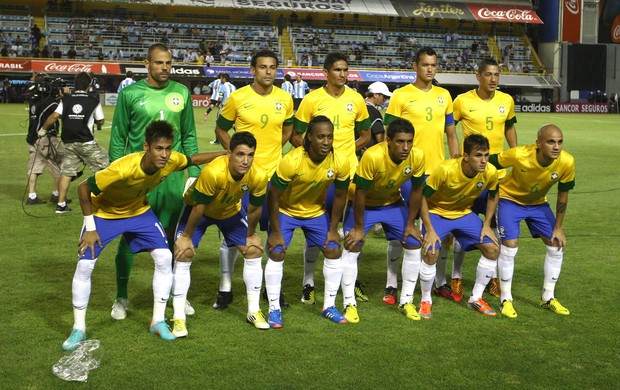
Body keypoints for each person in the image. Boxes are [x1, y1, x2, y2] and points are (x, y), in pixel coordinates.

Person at [61, 121, 223, 351]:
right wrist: (90, 228)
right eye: (159, 148)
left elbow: (193, 159)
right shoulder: (122, 168)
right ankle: (78, 328)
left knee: (165, 258)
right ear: (147, 146)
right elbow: (83, 190)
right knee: (85, 266)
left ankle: (157, 321)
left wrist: (224, 153)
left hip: (139, 212)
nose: (165, 154)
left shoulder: (171, 160)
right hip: (104, 214)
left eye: (168, 148)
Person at [108, 43, 200, 321]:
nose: (164, 68)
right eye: (159, 63)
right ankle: (121, 297)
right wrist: (116, 175)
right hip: (139, 179)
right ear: (147, 64)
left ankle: (175, 296)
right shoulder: (130, 93)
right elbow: (118, 137)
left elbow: (189, 135)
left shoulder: (181, 92)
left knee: (173, 236)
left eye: (168, 63)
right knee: (130, 235)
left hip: (172, 178)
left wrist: (193, 174)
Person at [212, 49, 294, 310]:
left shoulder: (285, 98)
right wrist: (234, 154)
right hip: (243, 180)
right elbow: (220, 127)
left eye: (272, 67)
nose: (268, 72)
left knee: (273, 234)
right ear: (253, 70)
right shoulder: (238, 98)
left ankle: (271, 289)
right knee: (233, 234)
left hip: (274, 179)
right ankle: (225, 288)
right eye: (262, 67)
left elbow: (289, 128)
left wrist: (274, 149)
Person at [291, 51, 371, 305]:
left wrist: (347, 152)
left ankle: (350, 281)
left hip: (348, 176)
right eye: (337, 70)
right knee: (319, 231)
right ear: (325, 73)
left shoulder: (356, 99)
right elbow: (296, 135)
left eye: (345, 70)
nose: (342, 74)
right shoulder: (312, 99)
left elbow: (366, 135)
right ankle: (308, 282)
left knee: (350, 231)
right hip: (319, 176)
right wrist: (314, 156)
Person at [383, 46, 460, 305]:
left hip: (438, 172)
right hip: (408, 171)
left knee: (440, 230)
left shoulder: (444, 95)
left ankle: (439, 282)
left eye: (433, 65)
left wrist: (456, 160)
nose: (429, 69)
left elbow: (451, 132)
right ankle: (392, 284)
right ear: (415, 66)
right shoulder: (401, 95)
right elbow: (387, 134)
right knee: (403, 228)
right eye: (425, 64)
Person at [172, 132, 268, 333]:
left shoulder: (258, 175)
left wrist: (251, 234)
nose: (245, 160)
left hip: (229, 212)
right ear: (229, 154)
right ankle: (178, 316)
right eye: (240, 154)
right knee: (183, 253)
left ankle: (254, 310)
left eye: (250, 155)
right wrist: (186, 237)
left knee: (254, 250)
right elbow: (199, 207)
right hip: (199, 211)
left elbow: (255, 209)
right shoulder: (214, 172)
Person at [445, 57, 518, 302]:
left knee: (495, 229)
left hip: (496, 178)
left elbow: (509, 127)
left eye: (497, 75)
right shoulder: (463, 101)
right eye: (488, 74)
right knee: (461, 227)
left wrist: (514, 155)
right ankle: (456, 277)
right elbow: (450, 127)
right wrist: (455, 152)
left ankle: (492, 279)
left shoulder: (506, 101)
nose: (493, 79)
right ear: (478, 76)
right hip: (469, 178)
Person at [267, 116, 350, 327]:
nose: (326, 142)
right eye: (320, 137)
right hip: (286, 211)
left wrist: (334, 228)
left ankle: (329, 306)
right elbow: (273, 196)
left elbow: (341, 196)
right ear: (309, 137)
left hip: (315, 213)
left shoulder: (340, 161)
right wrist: (275, 231)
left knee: (333, 249)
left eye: (329, 137)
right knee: (277, 251)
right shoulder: (292, 161)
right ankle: (274, 308)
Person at [342, 118, 426, 323]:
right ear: (388, 140)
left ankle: (406, 300)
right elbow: (360, 193)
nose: (406, 147)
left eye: (409, 141)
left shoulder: (418, 156)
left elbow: (417, 190)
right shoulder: (373, 156)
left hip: (392, 203)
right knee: (353, 244)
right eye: (400, 142)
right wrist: (359, 228)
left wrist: (410, 224)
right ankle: (349, 303)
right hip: (363, 204)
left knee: (414, 243)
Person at [490, 124, 574, 318]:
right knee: (510, 246)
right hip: (509, 200)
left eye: (560, 142)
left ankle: (548, 297)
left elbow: (563, 196)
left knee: (556, 244)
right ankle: (506, 299)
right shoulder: (519, 154)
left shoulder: (567, 162)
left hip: (538, 204)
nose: (556, 147)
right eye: (551, 142)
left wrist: (559, 227)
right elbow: (490, 161)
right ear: (538, 143)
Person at [420, 134, 500, 318]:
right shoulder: (445, 170)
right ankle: (425, 300)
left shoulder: (490, 172)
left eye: (486, 155)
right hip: (436, 213)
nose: (483, 160)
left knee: (492, 249)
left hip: (463, 214)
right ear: (466, 156)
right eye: (478, 155)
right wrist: (430, 230)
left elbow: (494, 195)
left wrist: (487, 224)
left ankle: (476, 298)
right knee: (431, 252)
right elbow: (421, 197)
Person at [39, 72, 108, 214]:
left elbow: (54, 116)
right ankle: (106, 202)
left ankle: (61, 204)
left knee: (67, 172)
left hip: (69, 143)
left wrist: (43, 129)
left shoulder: (66, 99)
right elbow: (100, 120)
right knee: (105, 168)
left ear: (75, 84)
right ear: (89, 84)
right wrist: (96, 120)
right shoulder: (93, 100)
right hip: (86, 142)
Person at [25, 74, 63, 205]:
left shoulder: (33, 100)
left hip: (33, 138)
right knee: (59, 165)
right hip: (47, 138)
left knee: (33, 168)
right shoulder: (52, 102)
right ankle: (56, 194)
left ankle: (32, 195)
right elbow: (61, 115)